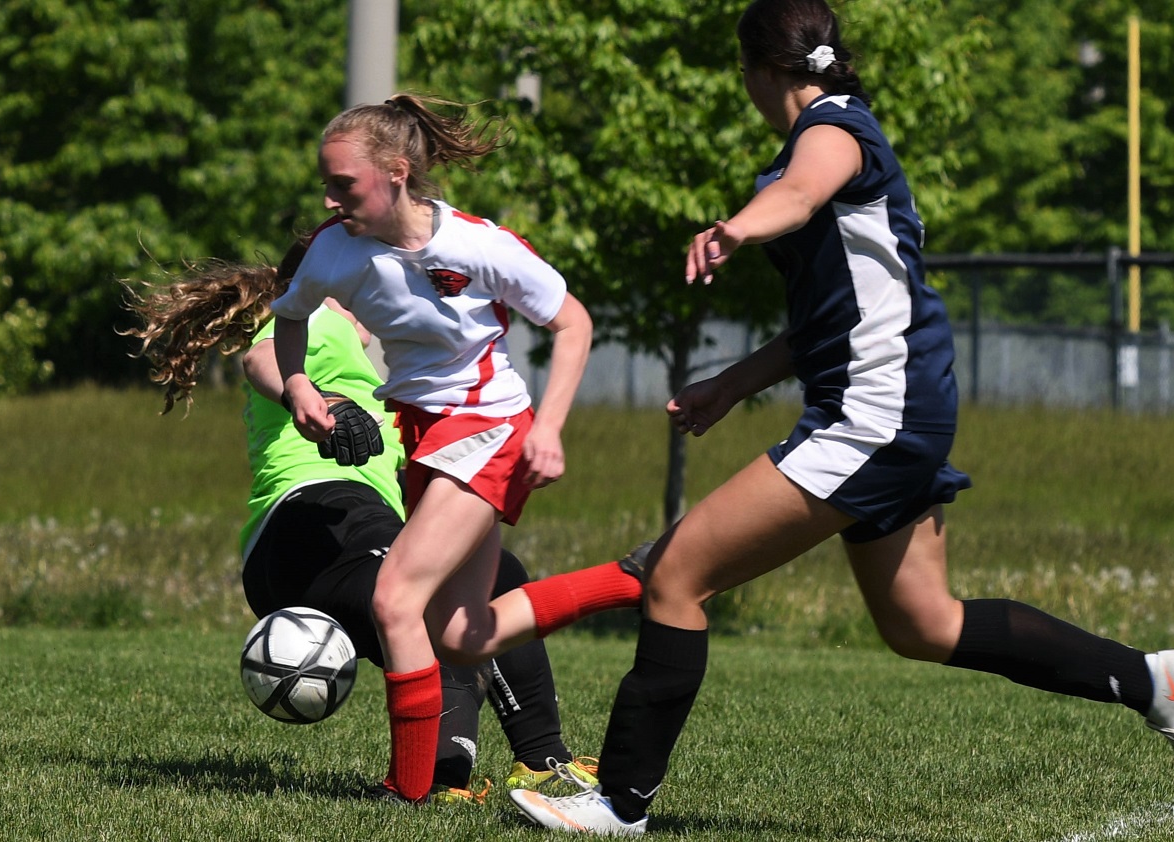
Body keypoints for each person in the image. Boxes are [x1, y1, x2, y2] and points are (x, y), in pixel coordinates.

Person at [508, 0, 1174, 834]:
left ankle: (619, 802)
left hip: (874, 414)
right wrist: (732, 382)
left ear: (756, 71)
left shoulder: (832, 130)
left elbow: (798, 191)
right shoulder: (832, 131)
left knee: (677, 577)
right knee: (923, 624)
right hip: (894, 404)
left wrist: (734, 230)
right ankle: (1155, 683)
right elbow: (833, 318)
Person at [120, 245, 624, 803]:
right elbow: (261, 360)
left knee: (458, 597)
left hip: (303, 549)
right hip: (316, 520)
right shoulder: (319, 319)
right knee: (465, 589)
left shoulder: (375, 375)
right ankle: (540, 764)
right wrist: (311, 395)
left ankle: (438, 780)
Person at [268, 93, 645, 804]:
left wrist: (552, 428)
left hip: (489, 427)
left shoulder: (477, 245)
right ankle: (635, 580)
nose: (328, 196)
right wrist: (297, 386)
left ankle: (408, 789)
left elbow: (573, 323)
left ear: (398, 173)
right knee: (465, 636)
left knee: (395, 598)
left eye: (343, 183)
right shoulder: (332, 249)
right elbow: (289, 318)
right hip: (425, 434)